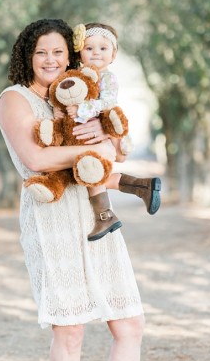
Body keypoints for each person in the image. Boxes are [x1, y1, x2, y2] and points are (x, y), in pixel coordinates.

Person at [0, 18, 166, 361]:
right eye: (40, 54)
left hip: (97, 213)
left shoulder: (81, 95)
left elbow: (118, 151)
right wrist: (85, 150)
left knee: (129, 322)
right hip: (52, 216)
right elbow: (34, 158)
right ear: (26, 57)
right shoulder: (16, 100)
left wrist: (105, 139)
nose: (51, 61)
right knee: (69, 329)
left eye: (58, 53)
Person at [61, 22, 161, 241]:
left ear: (113, 55)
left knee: (90, 173)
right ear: (79, 51)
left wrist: (81, 109)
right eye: (89, 48)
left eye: (103, 48)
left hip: (99, 128)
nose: (96, 52)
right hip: (81, 131)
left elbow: (108, 102)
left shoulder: (108, 78)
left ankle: (104, 215)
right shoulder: (75, 74)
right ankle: (142, 186)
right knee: (83, 175)